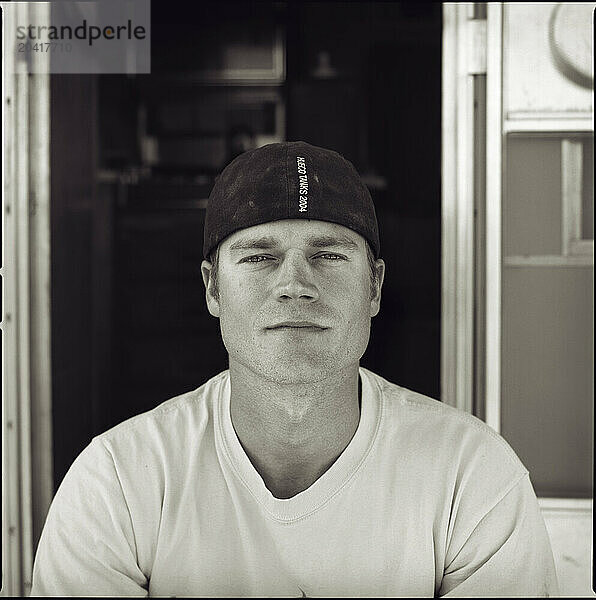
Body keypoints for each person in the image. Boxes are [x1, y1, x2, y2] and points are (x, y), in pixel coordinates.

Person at [31, 141, 559, 597]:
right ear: (213, 288)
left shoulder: (472, 475)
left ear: (373, 287)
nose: (294, 285)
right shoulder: (119, 480)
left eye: (328, 255)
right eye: (259, 258)